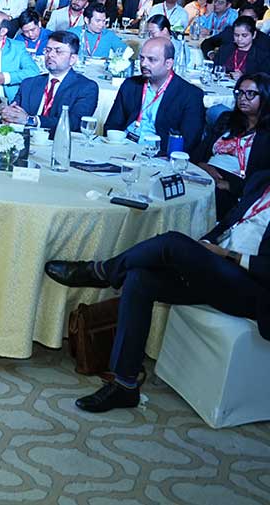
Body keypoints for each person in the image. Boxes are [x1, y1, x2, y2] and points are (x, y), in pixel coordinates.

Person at [43, 171, 270, 413]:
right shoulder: (262, 181)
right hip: (217, 268)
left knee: (171, 244)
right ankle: (125, 385)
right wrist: (204, 248)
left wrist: (227, 255)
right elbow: (229, 224)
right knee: (139, 279)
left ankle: (101, 271)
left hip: (254, 289)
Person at [104, 36, 205, 155]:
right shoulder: (130, 85)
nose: (144, 64)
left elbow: (188, 142)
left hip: (158, 155)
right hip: (122, 147)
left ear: (168, 64)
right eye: (142, 58)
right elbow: (112, 125)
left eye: (151, 60)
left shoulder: (190, 95)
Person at [192, 73, 270, 219]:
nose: (243, 98)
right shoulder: (227, 119)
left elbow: (262, 181)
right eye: (239, 92)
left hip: (235, 187)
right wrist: (203, 166)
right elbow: (198, 153)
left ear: (265, 96)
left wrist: (230, 186)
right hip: (204, 174)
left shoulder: (266, 135)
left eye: (250, 94)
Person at [1, 31, 98, 136]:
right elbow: (14, 113)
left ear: (72, 59)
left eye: (58, 51)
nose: (50, 55)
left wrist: (32, 120)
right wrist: (8, 114)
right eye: (47, 50)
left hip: (62, 141)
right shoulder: (28, 84)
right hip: (26, 140)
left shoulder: (86, 87)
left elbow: (74, 123)